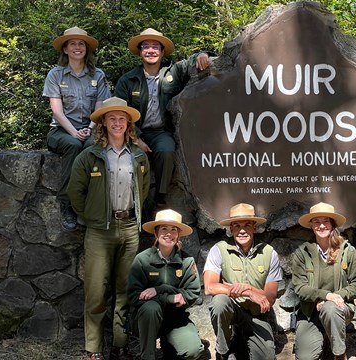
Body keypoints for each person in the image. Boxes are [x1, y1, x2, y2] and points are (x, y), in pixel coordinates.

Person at [68, 97, 150, 360]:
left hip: (128, 228)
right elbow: (75, 192)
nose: (117, 123)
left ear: (128, 124)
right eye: (112, 118)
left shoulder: (137, 156)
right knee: (96, 290)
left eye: (121, 119)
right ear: (103, 122)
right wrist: (92, 214)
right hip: (99, 231)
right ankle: (93, 348)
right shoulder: (90, 155)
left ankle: (120, 344)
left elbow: (144, 188)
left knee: (125, 289)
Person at [114, 28, 211, 212]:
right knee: (132, 159)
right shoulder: (128, 80)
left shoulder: (172, 72)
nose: (151, 51)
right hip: (134, 131)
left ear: (162, 51)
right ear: (140, 51)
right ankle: (132, 205)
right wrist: (136, 138)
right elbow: (119, 112)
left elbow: (191, 62)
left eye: (155, 47)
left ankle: (160, 198)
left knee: (166, 151)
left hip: (161, 131)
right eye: (146, 47)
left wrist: (202, 54)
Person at [43, 26, 111, 231]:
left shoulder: (97, 75)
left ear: (87, 49)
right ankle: (67, 203)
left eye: (81, 43)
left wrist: (89, 129)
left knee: (95, 147)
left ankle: (93, 202)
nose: (77, 47)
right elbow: (56, 111)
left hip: (91, 128)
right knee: (73, 145)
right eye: (72, 43)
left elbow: (100, 108)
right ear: (65, 49)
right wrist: (74, 132)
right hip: (61, 131)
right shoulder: (55, 75)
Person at [203, 203, 283, 360]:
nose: (242, 230)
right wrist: (249, 292)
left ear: (255, 228)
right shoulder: (219, 250)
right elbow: (209, 287)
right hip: (232, 310)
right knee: (219, 302)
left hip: (257, 315)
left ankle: (240, 338)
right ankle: (223, 350)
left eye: (247, 225)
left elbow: (271, 296)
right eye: (237, 226)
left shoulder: (269, 253)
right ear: (231, 229)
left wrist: (249, 289)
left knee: (266, 357)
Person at [127, 209, 204, 360]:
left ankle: (169, 346)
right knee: (151, 307)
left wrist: (160, 289)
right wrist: (168, 298)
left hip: (175, 318)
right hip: (147, 320)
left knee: (193, 351)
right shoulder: (142, 260)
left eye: (174, 230)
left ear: (178, 234)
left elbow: (193, 293)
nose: (169, 234)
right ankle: (148, 356)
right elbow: (134, 296)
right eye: (164, 229)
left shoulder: (187, 261)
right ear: (156, 233)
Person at [292, 202, 356, 360]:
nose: (321, 225)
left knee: (330, 309)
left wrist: (335, 297)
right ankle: (325, 338)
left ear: (332, 225)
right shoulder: (302, 253)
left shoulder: (347, 251)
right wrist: (325, 295)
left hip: (338, 309)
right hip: (311, 312)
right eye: (316, 222)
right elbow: (299, 288)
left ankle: (339, 353)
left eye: (326, 221)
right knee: (305, 357)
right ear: (311, 226)